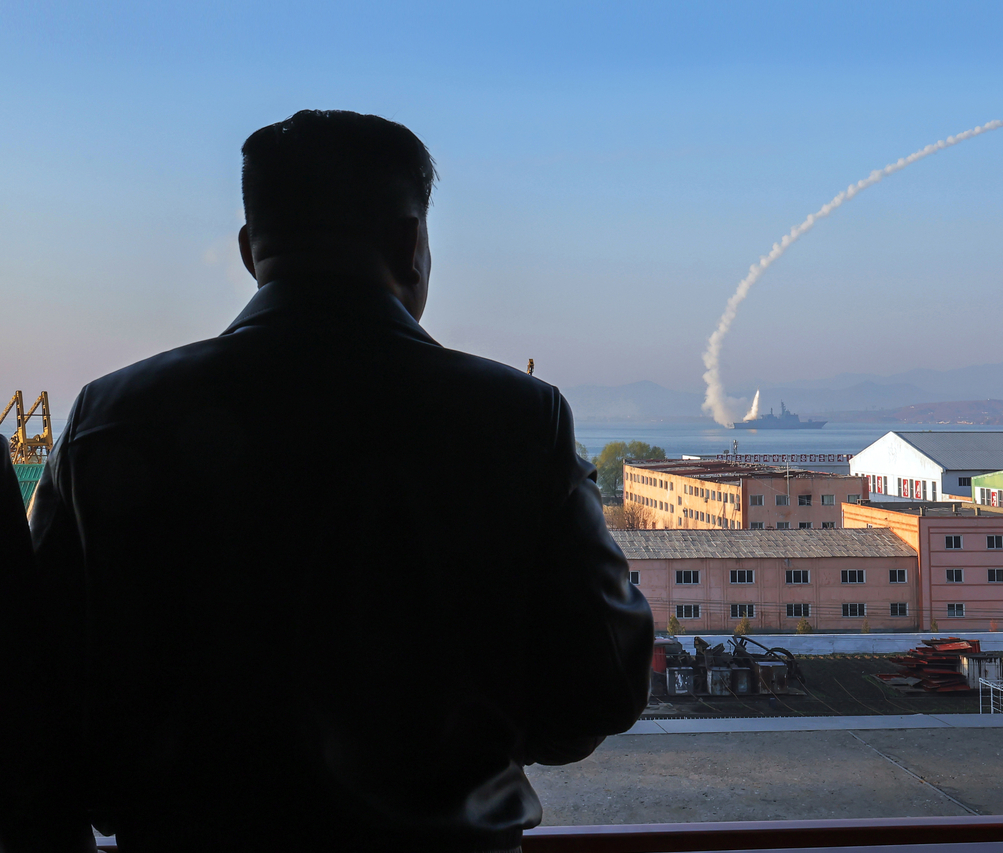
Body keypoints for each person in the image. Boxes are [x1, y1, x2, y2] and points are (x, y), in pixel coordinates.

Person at [10, 110, 653, 853]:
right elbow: (598, 689)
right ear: (412, 245)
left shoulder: (110, 417)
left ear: (252, 251)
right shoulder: (516, 420)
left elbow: (36, 704)